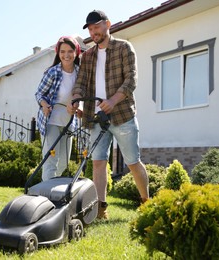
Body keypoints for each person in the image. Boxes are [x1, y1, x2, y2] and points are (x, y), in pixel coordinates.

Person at [68, 10, 149, 219]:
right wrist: (76, 99)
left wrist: (113, 101)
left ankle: (147, 203)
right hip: (97, 118)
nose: (94, 32)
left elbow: (131, 80)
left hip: (122, 115)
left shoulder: (124, 48)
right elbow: (81, 83)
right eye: (91, 29)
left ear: (107, 25)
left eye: (97, 27)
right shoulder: (87, 56)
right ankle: (100, 208)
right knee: (98, 162)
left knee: (132, 161)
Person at [35, 36, 81, 181]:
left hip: (68, 122)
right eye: (62, 51)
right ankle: (46, 196)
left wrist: (79, 108)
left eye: (69, 51)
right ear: (58, 53)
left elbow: (81, 94)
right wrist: (44, 105)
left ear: (76, 52)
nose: (66, 55)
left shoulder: (80, 73)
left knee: (63, 163)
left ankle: (56, 191)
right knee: (50, 162)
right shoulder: (53, 72)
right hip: (51, 121)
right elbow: (39, 94)